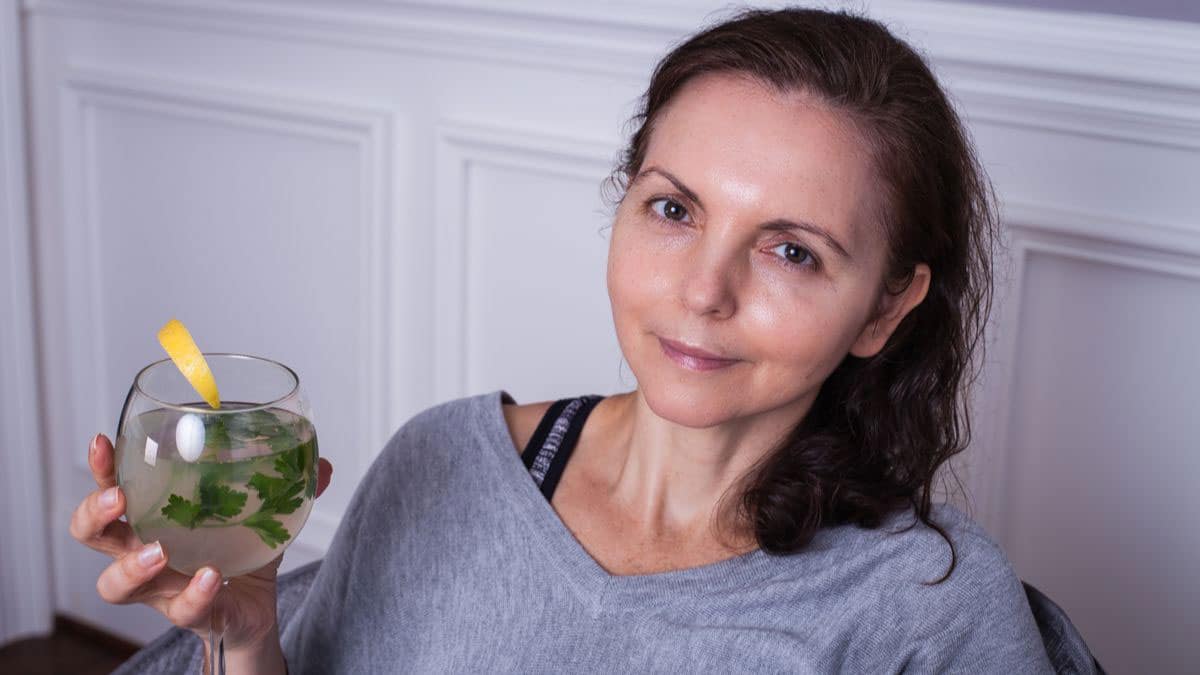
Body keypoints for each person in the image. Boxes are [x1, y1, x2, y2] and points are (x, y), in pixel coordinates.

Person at [72, 7, 1056, 673]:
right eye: (674, 209)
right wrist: (247, 643)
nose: (702, 290)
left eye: (792, 252)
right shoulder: (443, 464)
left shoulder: (931, 606)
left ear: (887, 306)